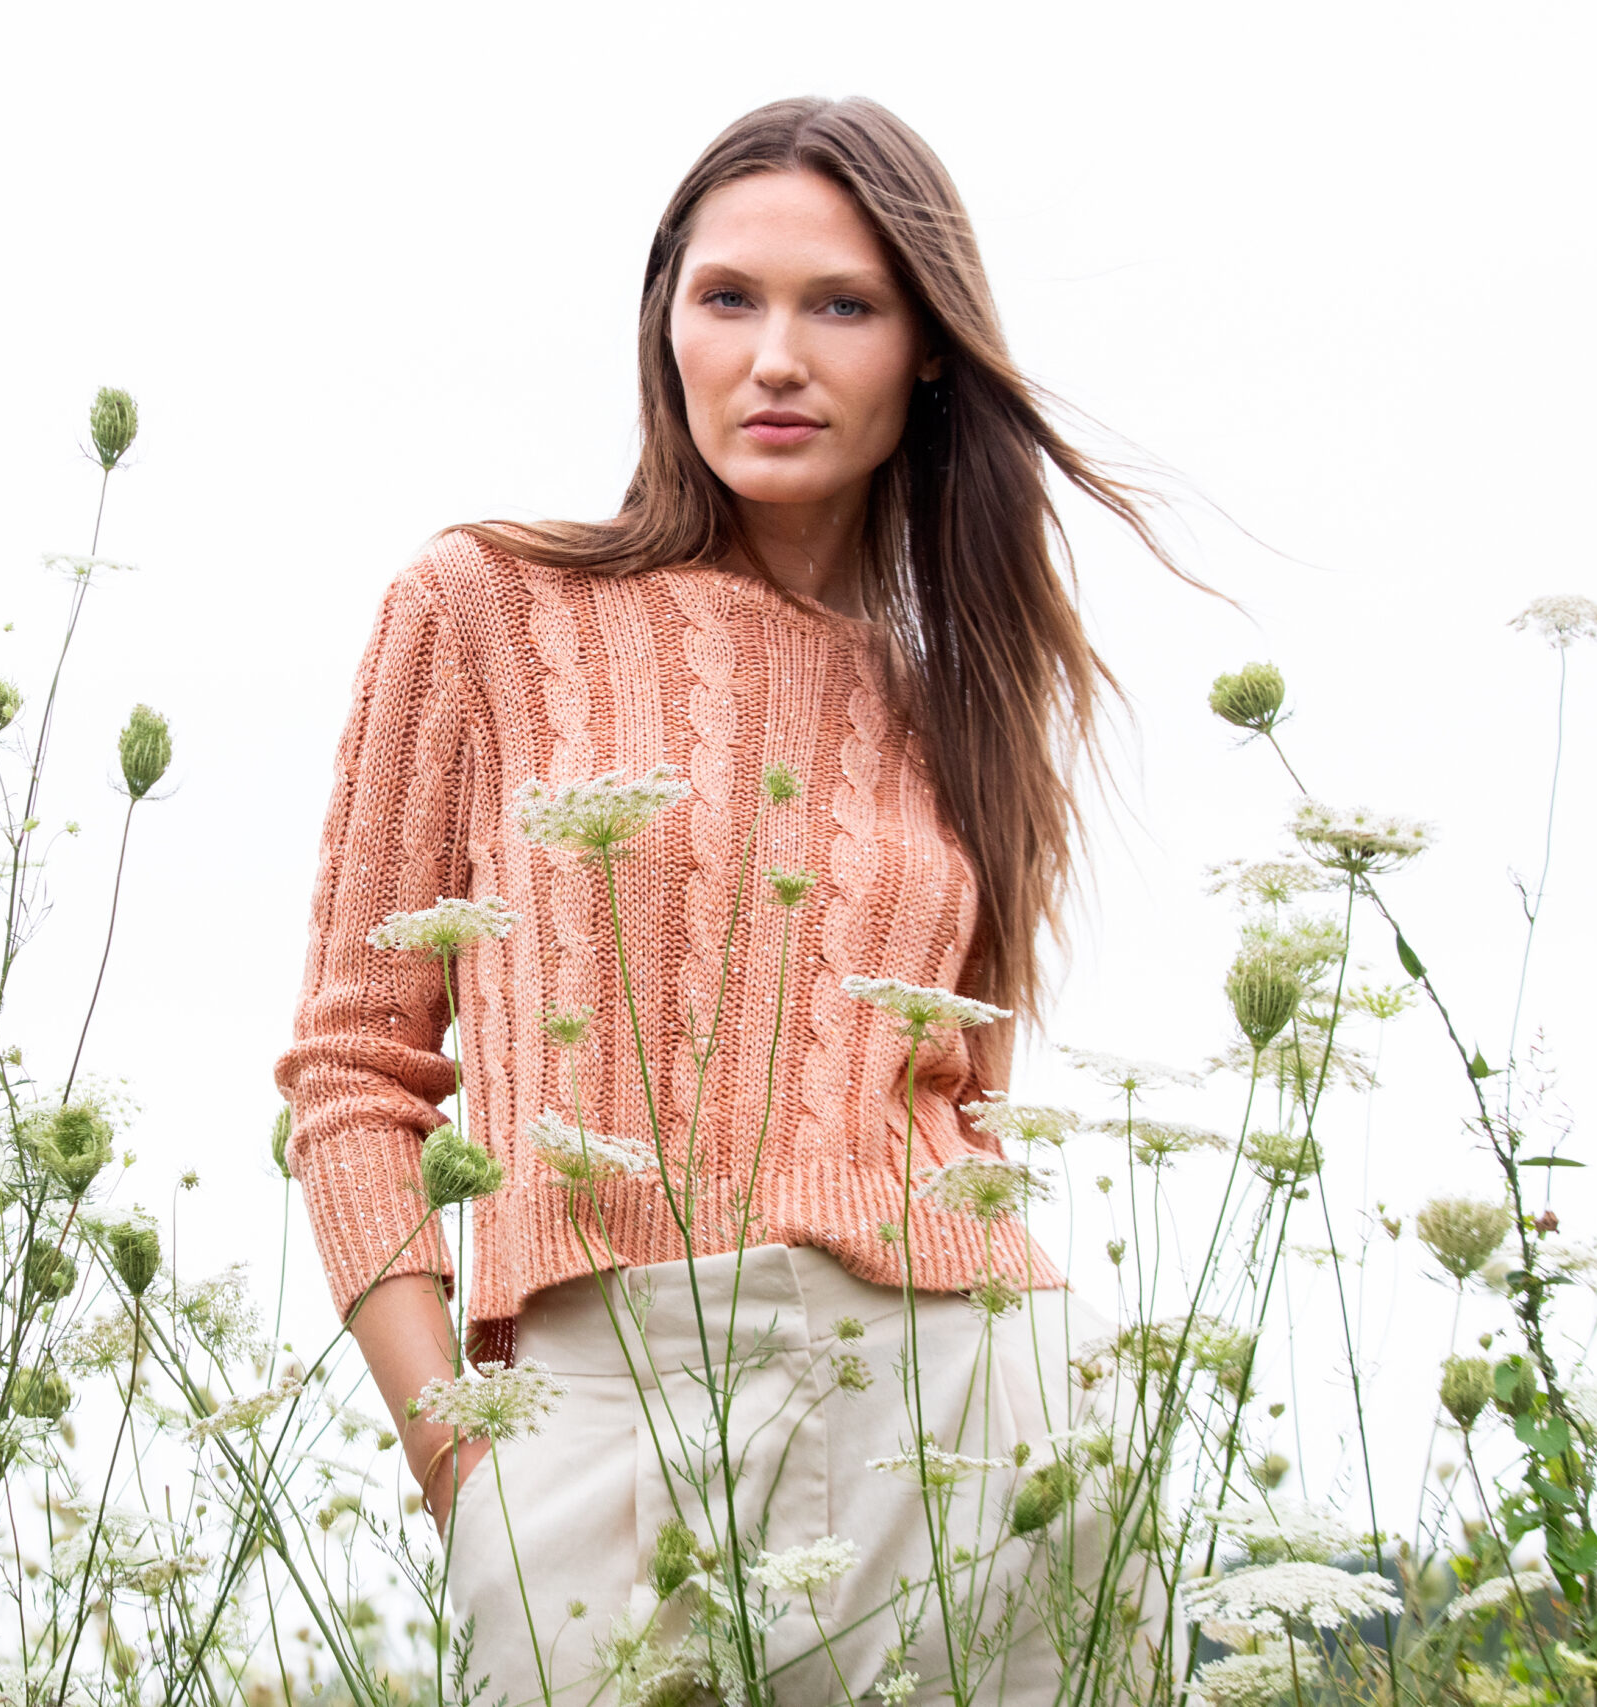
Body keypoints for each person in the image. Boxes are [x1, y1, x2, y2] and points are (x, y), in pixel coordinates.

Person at [275, 95, 1179, 1707]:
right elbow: (351, 1081)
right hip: (604, 1418)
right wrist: (462, 1472)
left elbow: (970, 1120)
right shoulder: (484, 605)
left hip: (968, 1412)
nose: (776, 355)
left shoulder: (961, 702)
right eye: (729, 297)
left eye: (842, 304)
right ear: (665, 329)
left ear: (927, 354)